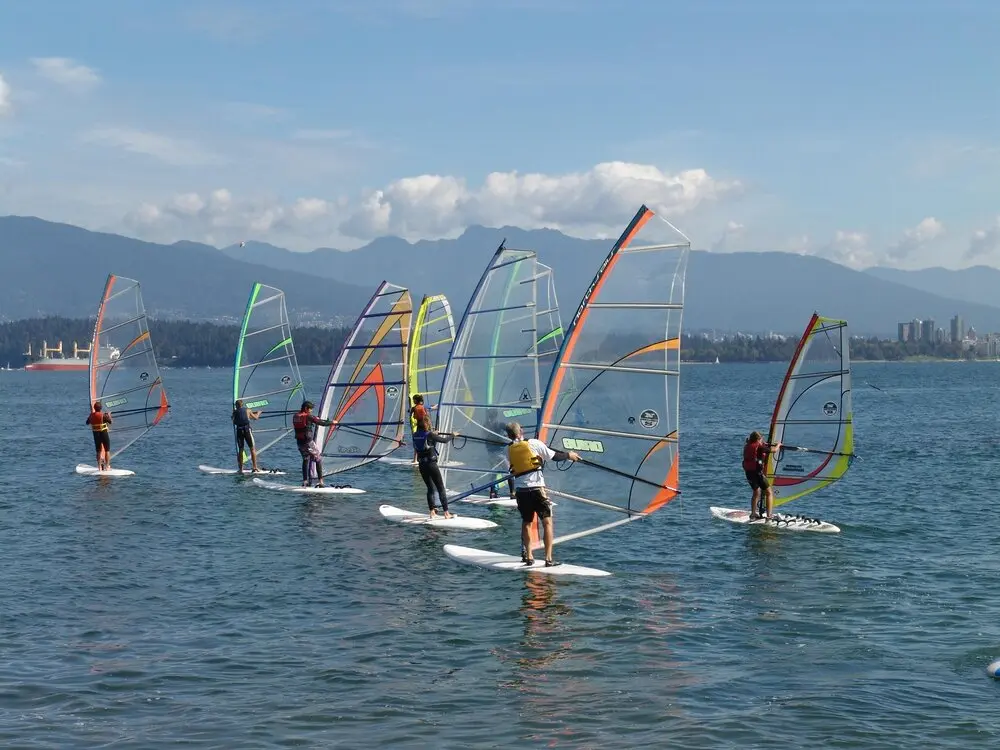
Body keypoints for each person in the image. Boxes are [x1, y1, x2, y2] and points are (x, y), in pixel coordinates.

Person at [505, 421, 580, 567]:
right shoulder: (533, 443)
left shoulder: (507, 449)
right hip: (537, 489)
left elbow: (514, 465)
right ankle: (548, 559)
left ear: (508, 435)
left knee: (526, 522)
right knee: (547, 522)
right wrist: (569, 455)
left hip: (521, 491)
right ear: (521, 431)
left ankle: (529, 557)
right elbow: (554, 456)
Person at [412, 415, 458, 519]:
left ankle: (432, 512)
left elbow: (427, 439)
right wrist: (453, 435)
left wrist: (433, 434)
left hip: (422, 465)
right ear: (427, 424)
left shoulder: (415, 435)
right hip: (431, 465)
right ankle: (446, 513)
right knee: (441, 488)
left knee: (430, 488)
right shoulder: (430, 435)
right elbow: (445, 440)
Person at [292, 401, 337, 487]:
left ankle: (305, 481)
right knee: (318, 458)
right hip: (308, 443)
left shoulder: (296, 416)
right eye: (310, 409)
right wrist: (332, 422)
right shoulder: (308, 416)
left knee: (305, 460)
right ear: (306, 408)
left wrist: (313, 419)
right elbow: (322, 423)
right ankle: (320, 481)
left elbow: (309, 421)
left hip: (299, 442)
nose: (311, 411)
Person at [743, 430, 781, 520]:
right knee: (769, 492)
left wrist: (764, 444)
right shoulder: (759, 447)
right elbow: (774, 450)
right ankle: (769, 515)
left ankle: (753, 513)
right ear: (758, 439)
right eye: (761, 439)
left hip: (749, 473)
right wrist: (779, 445)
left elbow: (759, 451)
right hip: (757, 473)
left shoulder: (748, 445)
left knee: (756, 492)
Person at [232, 399, 262, 473]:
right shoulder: (248, 410)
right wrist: (258, 413)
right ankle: (255, 467)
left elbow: (233, 420)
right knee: (252, 449)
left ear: (236, 406)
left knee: (241, 450)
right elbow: (255, 418)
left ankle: (241, 469)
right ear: (242, 405)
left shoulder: (235, 412)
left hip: (239, 431)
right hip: (247, 431)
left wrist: (234, 414)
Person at [86, 401, 113, 471]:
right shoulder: (103, 415)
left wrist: (92, 414)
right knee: (107, 450)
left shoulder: (91, 415)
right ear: (101, 408)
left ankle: (99, 467)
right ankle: (107, 467)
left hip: (96, 435)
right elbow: (110, 422)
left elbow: (87, 423)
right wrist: (109, 415)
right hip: (103, 434)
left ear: (94, 408)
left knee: (98, 451)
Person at [409, 394, 428, 464]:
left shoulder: (414, 408)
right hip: (425, 425)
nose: (413, 401)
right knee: (426, 441)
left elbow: (410, 415)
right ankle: (422, 457)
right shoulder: (423, 407)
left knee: (417, 442)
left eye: (414, 399)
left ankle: (415, 459)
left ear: (416, 400)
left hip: (420, 426)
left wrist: (410, 411)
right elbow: (426, 416)